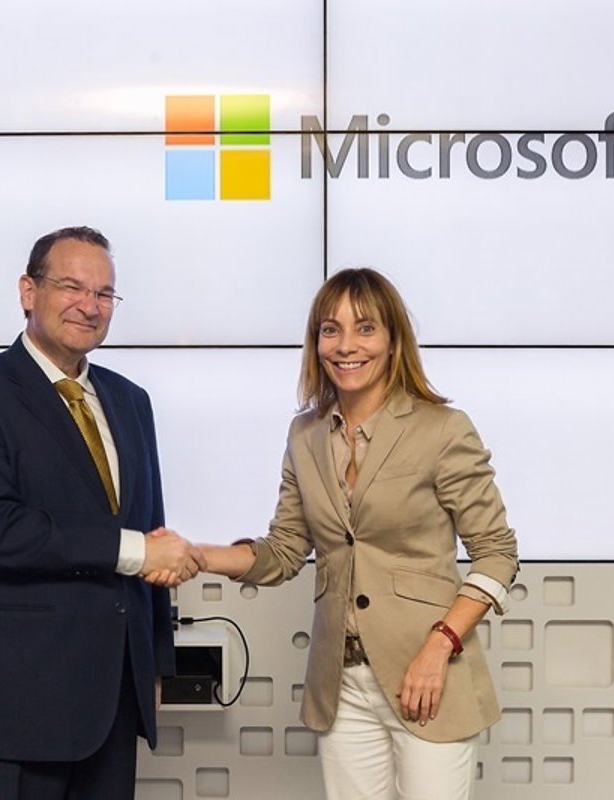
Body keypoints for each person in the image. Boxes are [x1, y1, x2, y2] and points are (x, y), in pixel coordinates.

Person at [191, 268, 519, 800]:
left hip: (427, 677)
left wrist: (439, 647)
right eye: (331, 329)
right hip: (341, 685)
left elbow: (498, 553)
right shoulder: (305, 434)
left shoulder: (442, 429)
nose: (346, 346)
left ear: (392, 340)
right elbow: (284, 551)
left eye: (365, 328)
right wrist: (198, 555)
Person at [0, 225, 205, 799]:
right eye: (72, 287)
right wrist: (135, 551)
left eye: (104, 293)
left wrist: (155, 664)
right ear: (28, 291)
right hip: (11, 700)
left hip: (113, 698)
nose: (90, 305)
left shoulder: (131, 401)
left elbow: (150, 526)